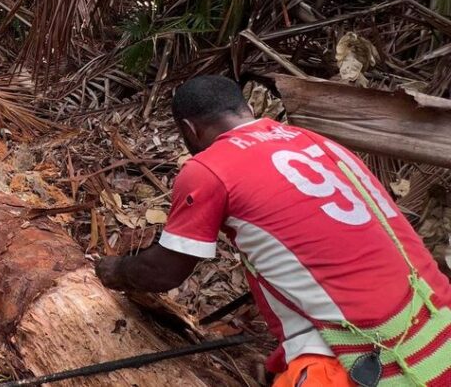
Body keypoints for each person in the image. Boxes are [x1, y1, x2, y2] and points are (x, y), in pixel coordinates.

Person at [97, 76, 451, 386]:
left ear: (189, 129)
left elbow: (164, 272)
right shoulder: (317, 141)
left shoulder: (209, 168)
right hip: (440, 326)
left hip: (374, 358)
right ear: (248, 108)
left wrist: (114, 272)